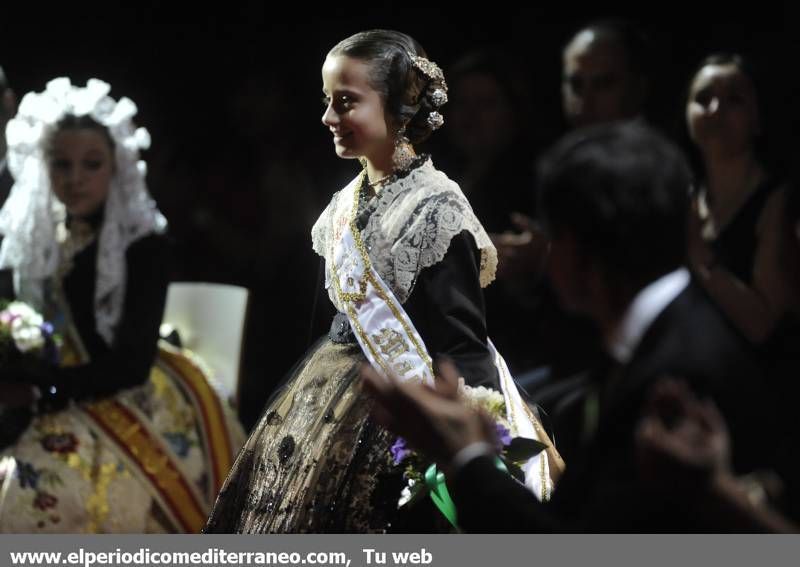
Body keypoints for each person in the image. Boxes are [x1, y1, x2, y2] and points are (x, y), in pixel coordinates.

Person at [203, 29, 559, 534]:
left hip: (398, 408)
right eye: (327, 102)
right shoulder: (341, 207)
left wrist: (478, 439)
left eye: (346, 103)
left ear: (399, 107)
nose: (329, 118)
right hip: (328, 396)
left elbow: (462, 342)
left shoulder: (438, 208)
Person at [363, 122, 774, 532]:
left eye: (553, 236)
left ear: (581, 249)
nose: (547, 254)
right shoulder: (658, 337)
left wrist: (466, 456)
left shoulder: (676, 378)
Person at [0, 78, 244, 533]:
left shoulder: (143, 245)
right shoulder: (40, 239)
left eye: (91, 164)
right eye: (61, 164)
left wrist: (44, 387)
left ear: (116, 166)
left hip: (128, 394)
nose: (75, 179)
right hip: (56, 389)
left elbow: (130, 363)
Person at [685, 53, 790, 346]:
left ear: (758, 118)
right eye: (703, 98)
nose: (715, 110)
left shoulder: (780, 202)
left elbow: (763, 327)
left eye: (734, 100)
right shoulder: (683, 196)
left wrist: (698, 255)